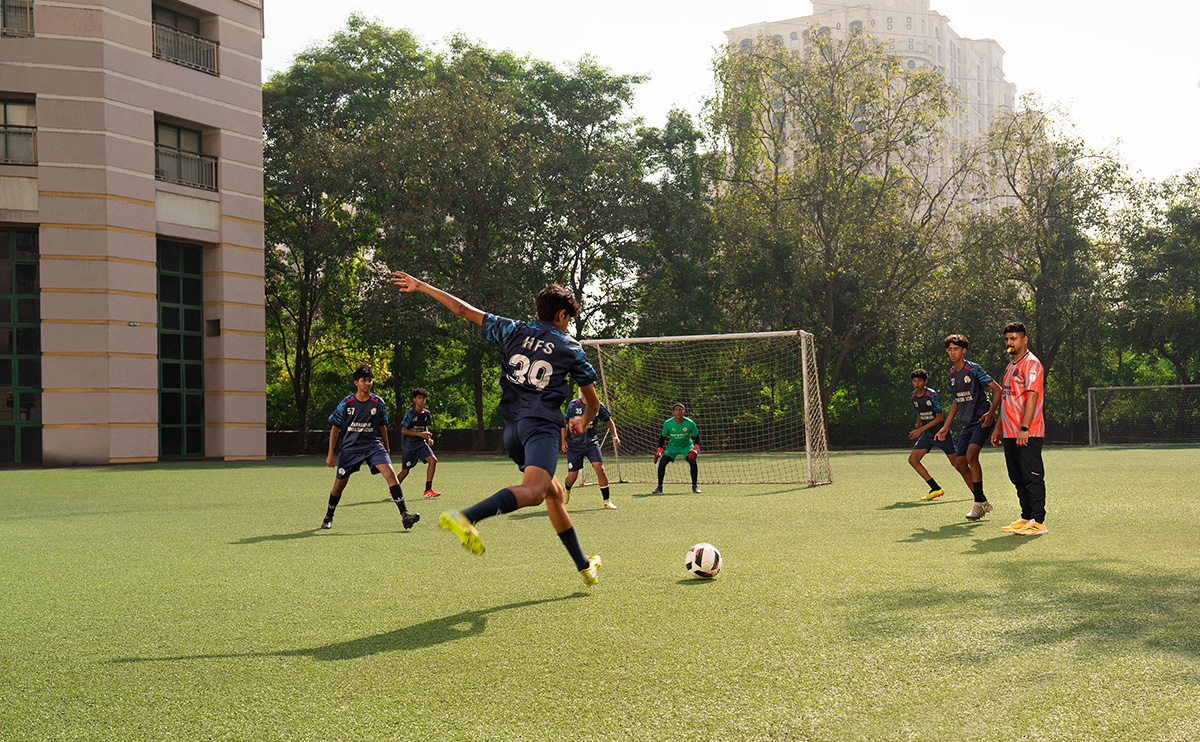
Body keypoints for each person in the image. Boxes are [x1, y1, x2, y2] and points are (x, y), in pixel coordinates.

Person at [390, 271, 603, 586]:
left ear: (537, 313)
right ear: (561, 315)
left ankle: (584, 566)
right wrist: (582, 422)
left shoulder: (513, 328)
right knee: (533, 492)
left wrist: (422, 286)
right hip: (541, 427)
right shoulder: (570, 347)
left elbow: (462, 309)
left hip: (512, 432)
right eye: (568, 319)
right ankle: (467, 516)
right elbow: (593, 404)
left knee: (553, 493)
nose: (568, 324)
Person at [321, 365, 419, 531]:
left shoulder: (378, 402)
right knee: (339, 486)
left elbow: (382, 427)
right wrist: (330, 454)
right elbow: (335, 427)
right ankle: (329, 516)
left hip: (373, 446)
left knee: (390, 474)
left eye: (370, 380)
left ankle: (405, 515)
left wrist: (386, 448)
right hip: (350, 449)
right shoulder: (346, 403)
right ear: (356, 383)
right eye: (364, 380)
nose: (367, 383)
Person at [934, 334, 1003, 521]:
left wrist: (990, 414)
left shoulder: (973, 369)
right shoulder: (951, 374)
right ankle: (982, 501)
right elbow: (957, 401)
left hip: (982, 420)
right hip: (967, 424)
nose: (952, 352)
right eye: (949, 349)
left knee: (972, 456)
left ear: (963, 350)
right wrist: (945, 426)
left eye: (956, 349)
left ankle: (977, 504)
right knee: (959, 463)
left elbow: (998, 390)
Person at [991, 322, 1048, 535]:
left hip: (1028, 432)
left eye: (1013, 338)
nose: (1009, 343)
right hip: (1009, 432)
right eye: (1006, 339)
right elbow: (1006, 399)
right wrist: (998, 428)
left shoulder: (1032, 364)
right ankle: (1026, 517)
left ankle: (1039, 522)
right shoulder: (1010, 366)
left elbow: (1032, 397)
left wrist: (1024, 428)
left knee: (1032, 475)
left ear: (1024, 340)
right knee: (1017, 476)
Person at [907, 369, 969, 501]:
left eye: (919, 381)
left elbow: (939, 417)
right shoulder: (913, 396)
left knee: (957, 464)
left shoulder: (932, 395)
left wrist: (920, 429)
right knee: (913, 460)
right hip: (927, 435)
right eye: (914, 381)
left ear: (925, 382)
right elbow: (919, 409)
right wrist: (918, 423)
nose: (916, 383)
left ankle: (976, 489)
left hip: (941, 434)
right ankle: (935, 488)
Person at [561, 395, 621, 510]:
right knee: (572, 477)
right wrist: (563, 440)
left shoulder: (598, 405)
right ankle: (567, 489)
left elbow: (609, 421)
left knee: (600, 469)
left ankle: (607, 501)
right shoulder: (573, 404)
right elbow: (564, 421)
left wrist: (615, 436)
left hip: (592, 444)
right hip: (575, 446)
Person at [397, 387, 440, 499]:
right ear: (414, 400)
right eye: (419, 398)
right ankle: (394, 488)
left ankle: (428, 490)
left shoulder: (426, 413)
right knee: (405, 471)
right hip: (409, 446)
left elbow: (424, 427)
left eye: (423, 398)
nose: (422, 400)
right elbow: (403, 430)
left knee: (433, 460)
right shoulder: (410, 413)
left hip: (421, 444)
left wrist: (428, 439)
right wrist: (421, 435)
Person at [651, 402, 701, 495]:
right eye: (676, 410)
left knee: (692, 461)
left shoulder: (690, 423)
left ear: (684, 412)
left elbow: (697, 437)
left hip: (687, 446)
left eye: (680, 410)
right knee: (662, 463)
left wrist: (695, 449)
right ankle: (659, 487)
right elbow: (662, 438)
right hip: (672, 447)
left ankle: (695, 486)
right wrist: (659, 451)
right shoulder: (668, 423)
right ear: (673, 413)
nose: (678, 412)